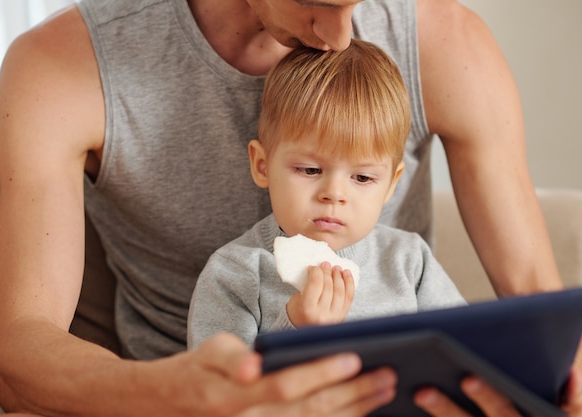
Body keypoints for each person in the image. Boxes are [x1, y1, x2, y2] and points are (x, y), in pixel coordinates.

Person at [0, 0, 580, 415]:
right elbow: (20, 355)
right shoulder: (63, 67)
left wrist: (554, 384)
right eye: (314, 0)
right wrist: (180, 397)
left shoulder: (449, 42)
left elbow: (536, 301)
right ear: (262, 162)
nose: (341, 34)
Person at [188, 39, 467, 349]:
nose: (334, 194)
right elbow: (220, 391)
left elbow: (468, 348)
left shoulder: (409, 262)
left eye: (362, 177)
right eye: (310, 170)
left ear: (390, 184)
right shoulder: (234, 274)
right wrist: (295, 328)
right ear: (263, 166)